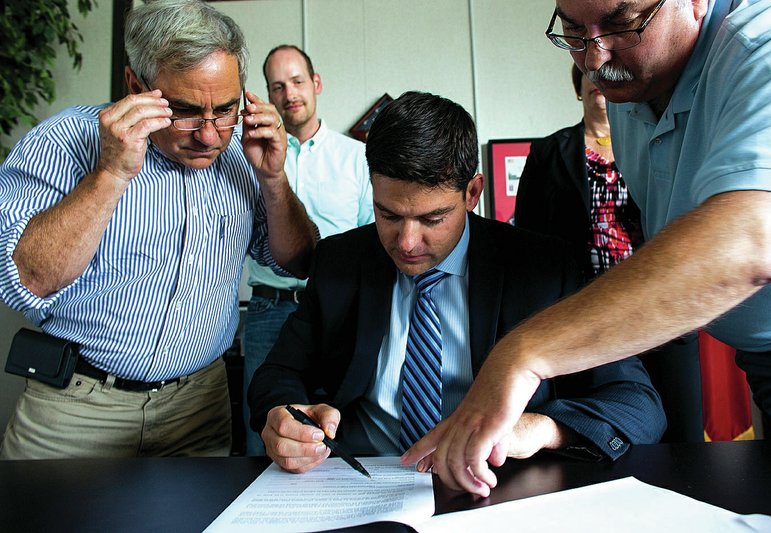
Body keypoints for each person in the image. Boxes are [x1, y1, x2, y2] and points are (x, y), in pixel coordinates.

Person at [403, 0, 771, 497]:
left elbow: (748, 243)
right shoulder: (631, 83)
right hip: (765, 356)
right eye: (572, 29)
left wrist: (523, 354)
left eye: (621, 23)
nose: (591, 59)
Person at [248, 91, 666, 473]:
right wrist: (285, 416)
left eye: (432, 219)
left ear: (473, 193)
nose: (407, 242)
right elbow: (276, 374)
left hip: (497, 485)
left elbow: (637, 403)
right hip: (361, 478)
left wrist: (538, 428)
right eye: (388, 215)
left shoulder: (541, 269)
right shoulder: (340, 261)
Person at [0, 0, 317, 459]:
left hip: (198, 410)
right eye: (185, 111)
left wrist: (273, 179)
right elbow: (27, 280)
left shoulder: (243, 152)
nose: (209, 135)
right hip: (75, 406)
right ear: (135, 85)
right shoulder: (61, 141)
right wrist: (109, 174)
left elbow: (298, 260)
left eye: (226, 109)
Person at [514, 64, 702, 442]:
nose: (600, 85)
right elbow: (528, 237)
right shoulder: (550, 152)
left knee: (683, 429)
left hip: (660, 304)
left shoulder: (653, 142)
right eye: (591, 78)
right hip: (587, 311)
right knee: (607, 427)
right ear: (578, 88)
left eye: (609, 80)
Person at [242, 45, 373, 456]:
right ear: (267, 93)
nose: (289, 93)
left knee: (337, 426)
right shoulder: (248, 159)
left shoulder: (358, 157)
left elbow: (373, 239)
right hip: (267, 310)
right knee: (264, 431)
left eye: (297, 81)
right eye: (277, 86)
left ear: (316, 84)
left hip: (340, 312)